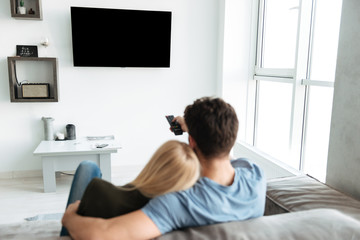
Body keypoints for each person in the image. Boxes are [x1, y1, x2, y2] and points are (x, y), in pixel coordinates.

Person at [62, 97, 267, 240]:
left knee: (88, 167)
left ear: (192, 142)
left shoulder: (180, 202)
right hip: (210, 140)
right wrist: (191, 127)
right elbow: (224, 151)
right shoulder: (254, 174)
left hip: (82, 221)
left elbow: (101, 234)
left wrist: (69, 216)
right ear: (232, 137)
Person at [60, 140, 200, 236]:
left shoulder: (98, 189)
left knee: (87, 166)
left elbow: (91, 230)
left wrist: (70, 214)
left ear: (154, 164)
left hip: (76, 229)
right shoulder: (174, 212)